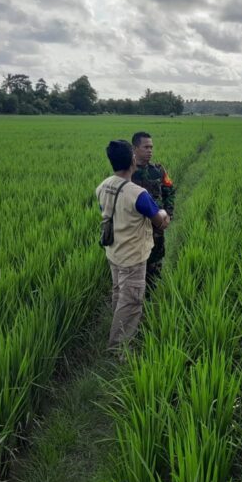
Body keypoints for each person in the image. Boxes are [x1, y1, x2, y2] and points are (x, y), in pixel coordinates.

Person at [96, 140, 170, 349]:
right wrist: (165, 214)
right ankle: (119, 349)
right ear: (132, 160)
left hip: (114, 251)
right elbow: (159, 221)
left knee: (119, 291)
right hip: (133, 256)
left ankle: (115, 324)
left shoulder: (103, 186)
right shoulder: (138, 194)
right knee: (131, 301)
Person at [131, 131, 176, 292]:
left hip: (156, 225)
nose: (150, 150)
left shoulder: (158, 170)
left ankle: (150, 299)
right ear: (135, 148)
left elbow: (169, 191)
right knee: (134, 266)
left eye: (151, 147)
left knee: (155, 263)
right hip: (134, 228)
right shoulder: (127, 171)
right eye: (146, 147)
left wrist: (169, 214)